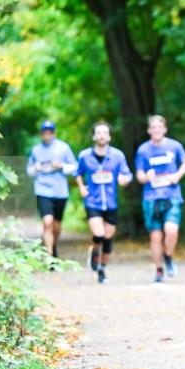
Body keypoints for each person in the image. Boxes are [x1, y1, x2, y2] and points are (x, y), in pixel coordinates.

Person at [75, 121, 133, 284]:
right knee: (99, 235)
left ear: (109, 136)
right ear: (94, 136)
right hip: (93, 202)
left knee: (108, 241)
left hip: (111, 203)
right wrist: (81, 187)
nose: (101, 135)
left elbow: (128, 174)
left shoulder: (117, 155)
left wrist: (125, 179)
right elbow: (78, 173)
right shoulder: (85, 156)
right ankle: (94, 253)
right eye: (98, 132)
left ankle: (101, 269)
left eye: (104, 132)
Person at [135, 115, 185, 283]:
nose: (156, 130)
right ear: (149, 130)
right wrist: (146, 177)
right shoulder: (143, 150)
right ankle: (159, 269)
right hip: (151, 197)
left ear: (164, 129)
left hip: (171, 195)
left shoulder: (175, 146)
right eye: (153, 127)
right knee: (156, 237)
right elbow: (139, 174)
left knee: (171, 230)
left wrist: (177, 176)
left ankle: (169, 256)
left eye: (159, 127)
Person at [26, 120, 78, 260]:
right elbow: (29, 171)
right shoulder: (36, 150)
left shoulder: (63, 148)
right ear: (41, 134)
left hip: (60, 190)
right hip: (42, 189)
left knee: (56, 224)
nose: (47, 135)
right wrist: (36, 168)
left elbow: (75, 167)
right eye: (44, 132)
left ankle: (53, 247)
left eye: (50, 132)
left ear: (54, 133)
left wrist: (61, 166)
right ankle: (49, 257)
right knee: (47, 221)